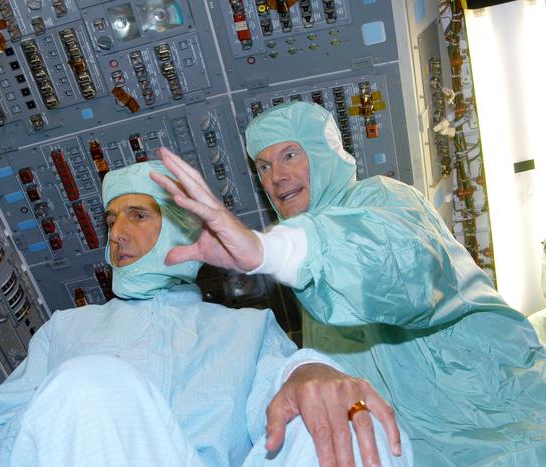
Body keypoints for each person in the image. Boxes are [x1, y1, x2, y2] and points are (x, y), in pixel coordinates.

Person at [151, 101, 546, 465]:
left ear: (323, 154)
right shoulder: (305, 273)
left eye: (290, 155)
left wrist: (270, 251)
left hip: (495, 416)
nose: (276, 177)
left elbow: (404, 267)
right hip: (420, 448)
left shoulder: (378, 198)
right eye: (264, 167)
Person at [0, 161, 412, 467]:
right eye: (111, 220)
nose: (117, 233)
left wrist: (308, 368)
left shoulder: (247, 329)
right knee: (91, 382)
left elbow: (281, 397)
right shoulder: (66, 328)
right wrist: (85, 411)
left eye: (137, 215)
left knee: (347, 411)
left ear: (180, 228)